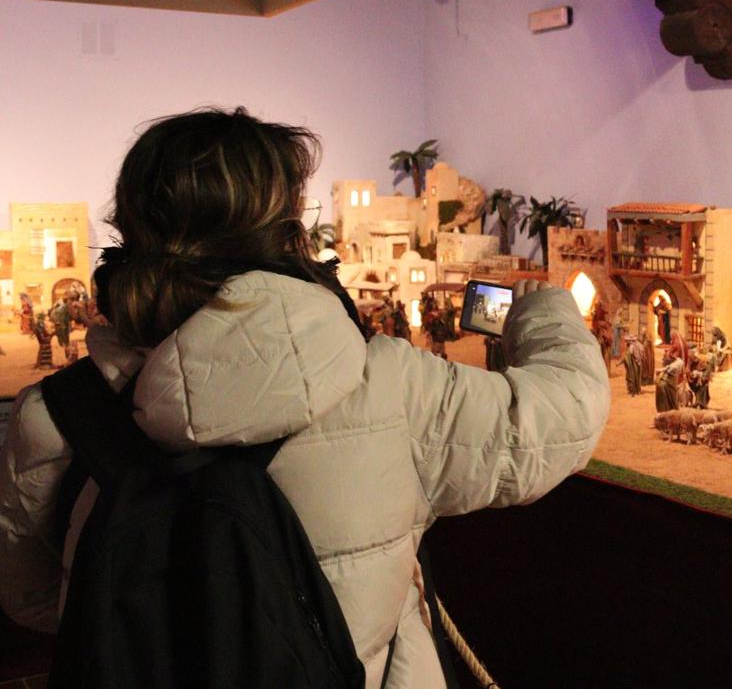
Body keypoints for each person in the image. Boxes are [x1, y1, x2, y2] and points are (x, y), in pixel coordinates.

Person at [0, 108, 610, 689]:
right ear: (287, 231)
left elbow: (32, 597)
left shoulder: (53, 415)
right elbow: (566, 415)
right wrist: (545, 306)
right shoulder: (390, 388)